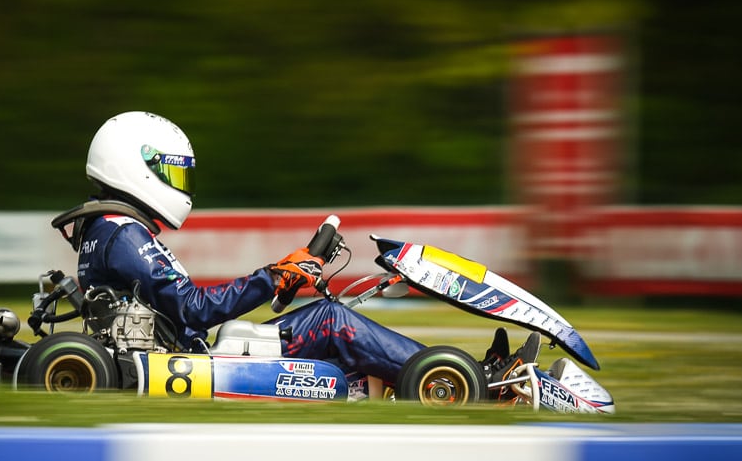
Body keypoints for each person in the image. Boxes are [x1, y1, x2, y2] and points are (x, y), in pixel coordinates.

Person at [54, 111, 530, 391]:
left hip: (183, 355)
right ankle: (462, 380)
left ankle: (438, 378)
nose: (179, 187)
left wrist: (283, 276)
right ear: (135, 167)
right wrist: (276, 276)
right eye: (173, 173)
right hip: (193, 365)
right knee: (329, 320)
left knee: (345, 360)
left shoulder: (107, 229)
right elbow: (193, 310)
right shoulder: (123, 232)